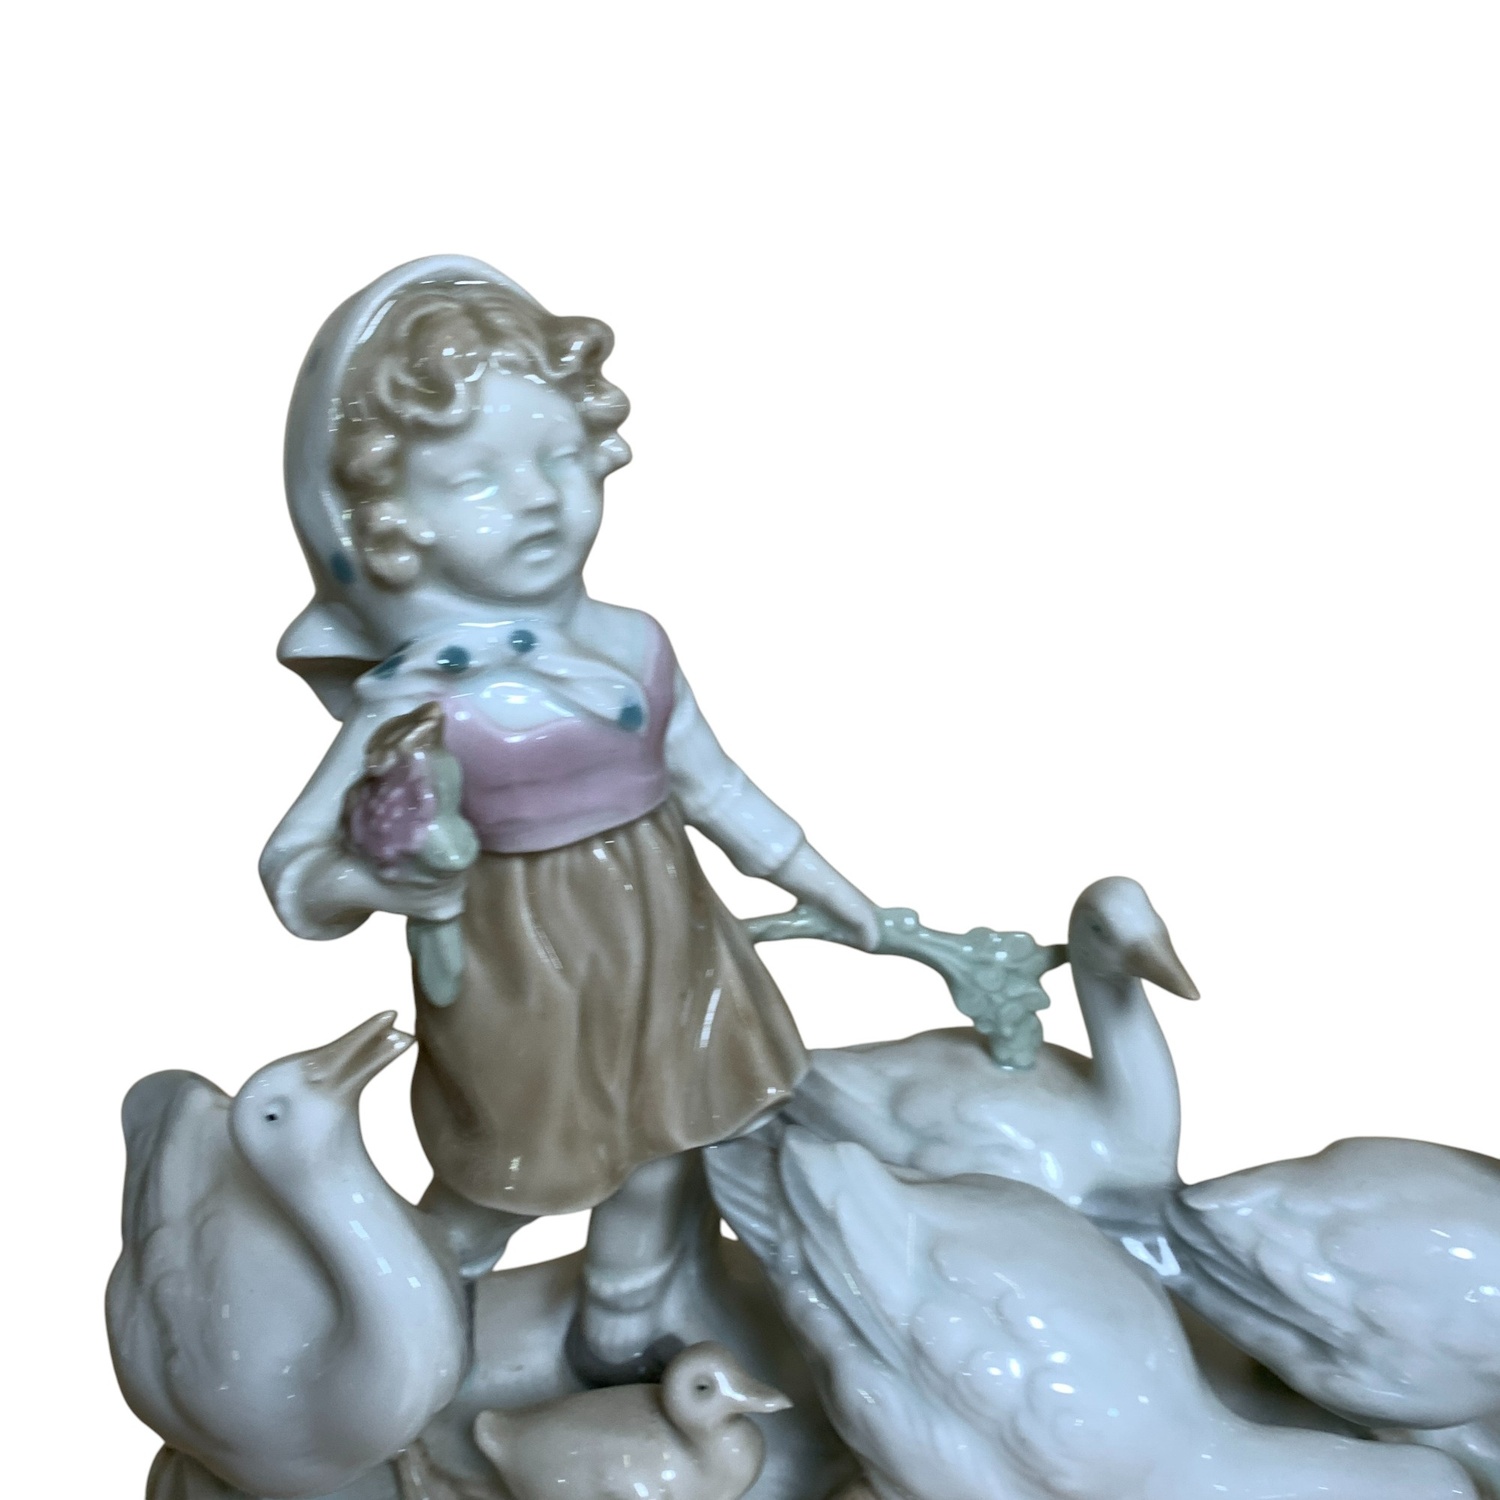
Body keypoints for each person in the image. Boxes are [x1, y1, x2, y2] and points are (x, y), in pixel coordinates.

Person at [261, 255, 880, 1380]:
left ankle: (621, 1336)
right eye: (477, 479)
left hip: (668, 938)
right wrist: (387, 879)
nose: (541, 498)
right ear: (391, 518)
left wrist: (834, 890)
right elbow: (295, 870)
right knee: (504, 1172)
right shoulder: (419, 698)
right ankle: (407, 1349)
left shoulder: (633, 644)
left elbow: (713, 785)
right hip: (522, 967)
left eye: (558, 457)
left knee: (664, 1146)